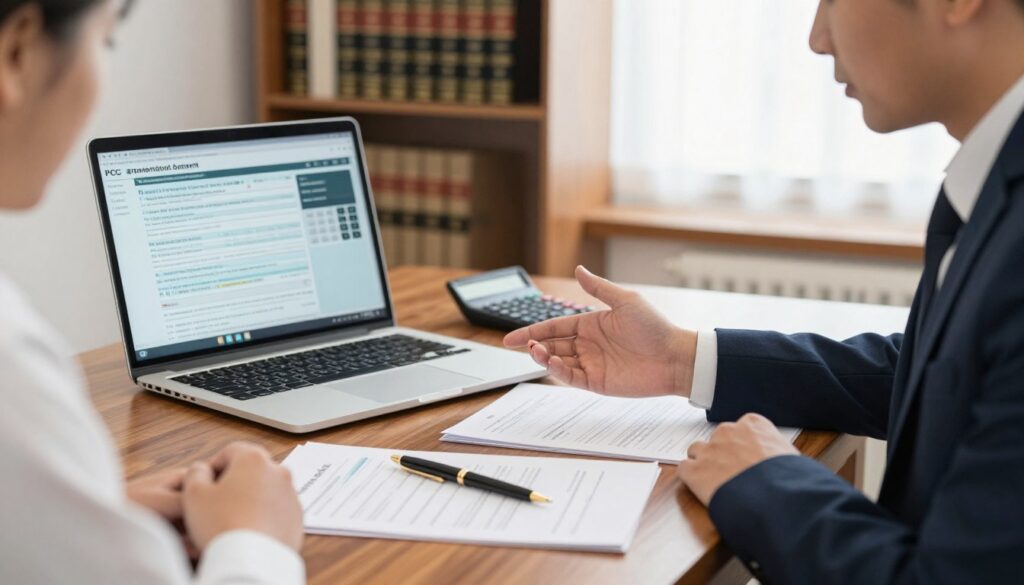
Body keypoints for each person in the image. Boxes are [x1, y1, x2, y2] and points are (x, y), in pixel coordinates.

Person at [506, 0, 1024, 583]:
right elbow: (940, 372)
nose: (817, 38)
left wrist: (769, 479)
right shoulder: (996, 176)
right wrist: (680, 360)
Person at [0, 1, 306, 583]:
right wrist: (253, 540)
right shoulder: (9, 361)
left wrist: (89, 515)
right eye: (106, 41)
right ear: (16, 52)